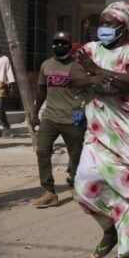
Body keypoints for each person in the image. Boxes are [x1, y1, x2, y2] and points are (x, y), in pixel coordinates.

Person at [70, 1, 129, 258]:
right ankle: (110, 228)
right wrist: (106, 79)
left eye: (109, 23)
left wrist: (95, 73)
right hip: (97, 131)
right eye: (102, 22)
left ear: (125, 26)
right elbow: (73, 79)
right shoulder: (90, 50)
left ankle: (123, 255)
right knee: (84, 183)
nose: (103, 28)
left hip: (128, 131)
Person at [30, 32, 85, 208]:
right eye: (56, 42)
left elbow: (88, 90)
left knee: (76, 157)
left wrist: (84, 109)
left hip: (72, 119)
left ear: (70, 47)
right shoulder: (46, 65)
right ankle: (49, 192)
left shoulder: (77, 67)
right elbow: (41, 91)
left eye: (63, 42)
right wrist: (35, 113)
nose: (59, 45)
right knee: (42, 151)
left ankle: (78, 187)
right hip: (50, 117)